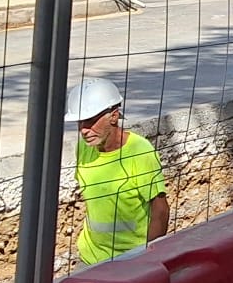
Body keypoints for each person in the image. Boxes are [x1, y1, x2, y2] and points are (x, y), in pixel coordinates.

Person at [64, 77, 168, 268]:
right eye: (79, 123)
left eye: (90, 121)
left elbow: (160, 211)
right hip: (89, 259)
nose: (84, 130)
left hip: (130, 260)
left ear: (114, 116)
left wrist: (145, 258)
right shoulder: (83, 148)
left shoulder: (140, 152)